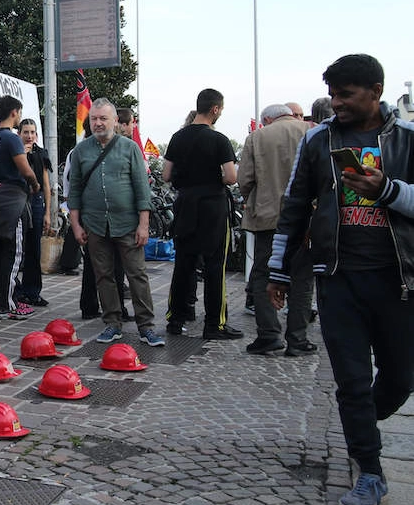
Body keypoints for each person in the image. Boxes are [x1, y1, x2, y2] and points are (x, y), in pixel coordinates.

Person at [268, 54, 414, 505]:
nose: (336, 104)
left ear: (375, 90)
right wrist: (279, 270)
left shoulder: (408, 140)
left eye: (345, 95)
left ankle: (362, 420)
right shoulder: (317, 140)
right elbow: (294, 206)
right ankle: (369, 471)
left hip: (398, 282)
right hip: (338, 279)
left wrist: (387, 190)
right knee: (351, 382)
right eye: (331, 95)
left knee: (401, 378)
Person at [68, 98, 163, 346]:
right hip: (95, 224)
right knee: (103, 276)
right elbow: (75, 190)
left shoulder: (129, 148)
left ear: (114, 121)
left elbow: (142, 190)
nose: (98, 123)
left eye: (103, 118)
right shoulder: (81, 151)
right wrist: (76, 225)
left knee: (137, 275)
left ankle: (146, 327)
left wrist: (144, 225)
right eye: (94, 119)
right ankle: (112, 324)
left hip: (127, 224)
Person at [238, 104, 319, 356]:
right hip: (306, 219)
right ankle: (297, 338)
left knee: (263, 273)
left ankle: (269, 334)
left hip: (268, 217)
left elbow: (245, 180)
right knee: (303, 278)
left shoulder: (257, 137)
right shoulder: (311, 132)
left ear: (266, 119)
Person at [162, 89, 242, 340]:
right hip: (212, 205)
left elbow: (165, 175)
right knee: (215, 264)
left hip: (185, 203)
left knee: (184, 263)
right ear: (215, 109)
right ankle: (214, 325)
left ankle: (175, 319)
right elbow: (230, 177)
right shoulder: (218, 140)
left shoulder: (177, 137)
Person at [0, 95, 41, 320]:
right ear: (14, 112)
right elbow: (25, 169)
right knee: (14, 253)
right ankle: (8, 304)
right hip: (13, 199)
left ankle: (1, 300)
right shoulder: (11, 138)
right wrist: (35, 185)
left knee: (0, 253)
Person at [17, 118, 53, 307]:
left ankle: (33, 292)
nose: (29, 136)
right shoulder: (14, 152)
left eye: (32, 132)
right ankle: (16, 292)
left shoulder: (41, 154)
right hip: (17, 201)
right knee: (17, 249)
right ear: (19, 134)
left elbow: (46, 184)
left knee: (34, 249)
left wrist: (48, 212)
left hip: (37, 203)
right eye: (26, 132)